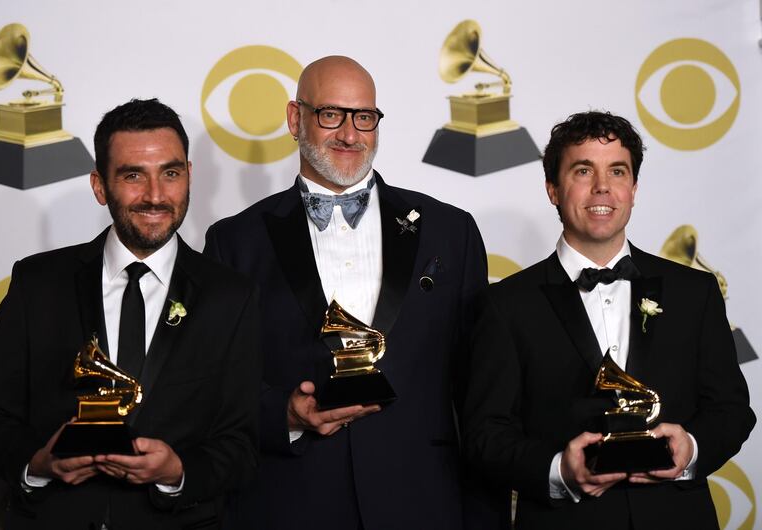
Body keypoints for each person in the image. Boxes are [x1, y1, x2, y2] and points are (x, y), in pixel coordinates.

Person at [204, 56, 507, 529]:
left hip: (423, 501)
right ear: (294, 118)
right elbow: (218, 387)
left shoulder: (451, 232)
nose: (350, 134)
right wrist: (283, 413)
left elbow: (480, 392)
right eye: (331, 115)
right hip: (289, 503)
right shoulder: (235, 242)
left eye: (364, 117)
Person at [0, 98, 262, 529]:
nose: (156, 195)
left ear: (190, 177)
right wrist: (39, 463)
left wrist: (177, 472)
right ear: (100, 185)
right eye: (133, 175)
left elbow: (242, 445)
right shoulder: (38, 283)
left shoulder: (230, 296)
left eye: (171, 173)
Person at [463, 110, 755, 529]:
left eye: (617, 171)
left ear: (633, 188)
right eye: (583, 170)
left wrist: (690, 448)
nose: (603, 186)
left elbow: (731, 411)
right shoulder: (504, 305)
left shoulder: (696, 293)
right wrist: (559, 470)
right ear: (553, 189)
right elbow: (484, 434)